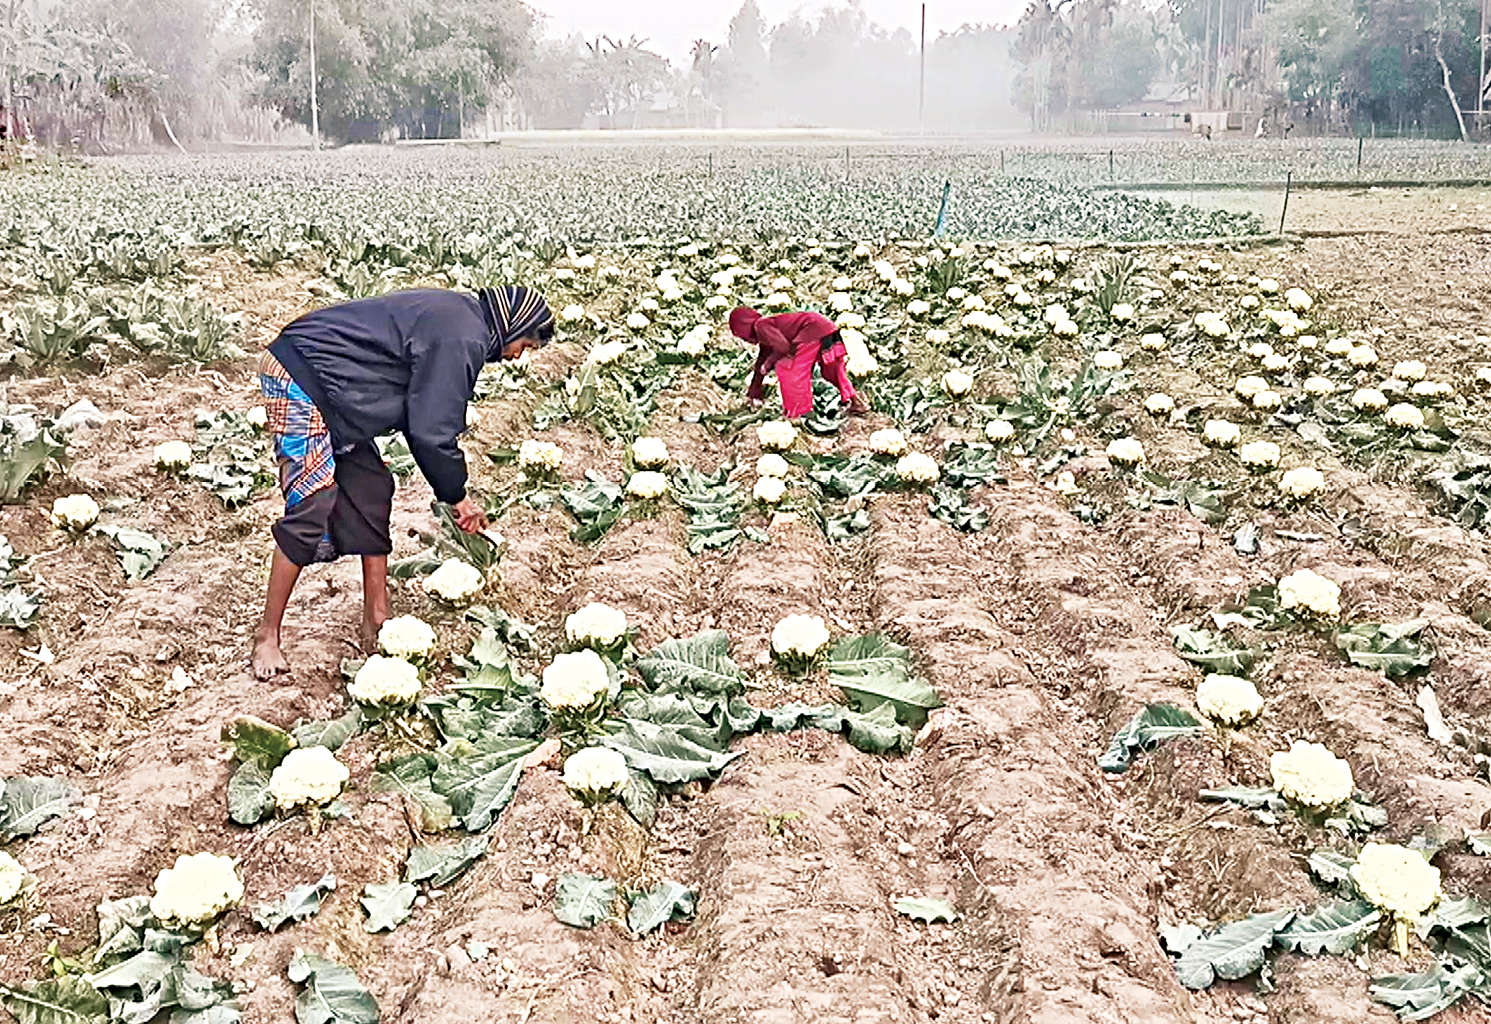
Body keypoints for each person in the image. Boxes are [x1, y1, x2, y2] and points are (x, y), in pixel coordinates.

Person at [251, 286, 554, 680]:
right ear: (514, 325)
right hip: (303, 376)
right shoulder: (463, 335)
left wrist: (454, 494)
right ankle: (267, 635)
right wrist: (456, 494)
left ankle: (376, 619)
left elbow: (421, 413)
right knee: (312, 503)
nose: (517, 357)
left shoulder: (463, 323)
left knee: (371, 489)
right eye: (525, 345)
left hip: (339, 389)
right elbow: (432, 431)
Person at [729, 306, 869, 419]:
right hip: (825, 327)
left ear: (743, 326)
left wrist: (769, 363)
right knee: (831, 371)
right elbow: (761, 361)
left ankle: (799, 414)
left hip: (810, 331)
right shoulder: (765, 329)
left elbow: (783, 347)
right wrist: (754, 391)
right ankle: (857, 402)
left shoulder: (761, 325)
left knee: (789, 370)